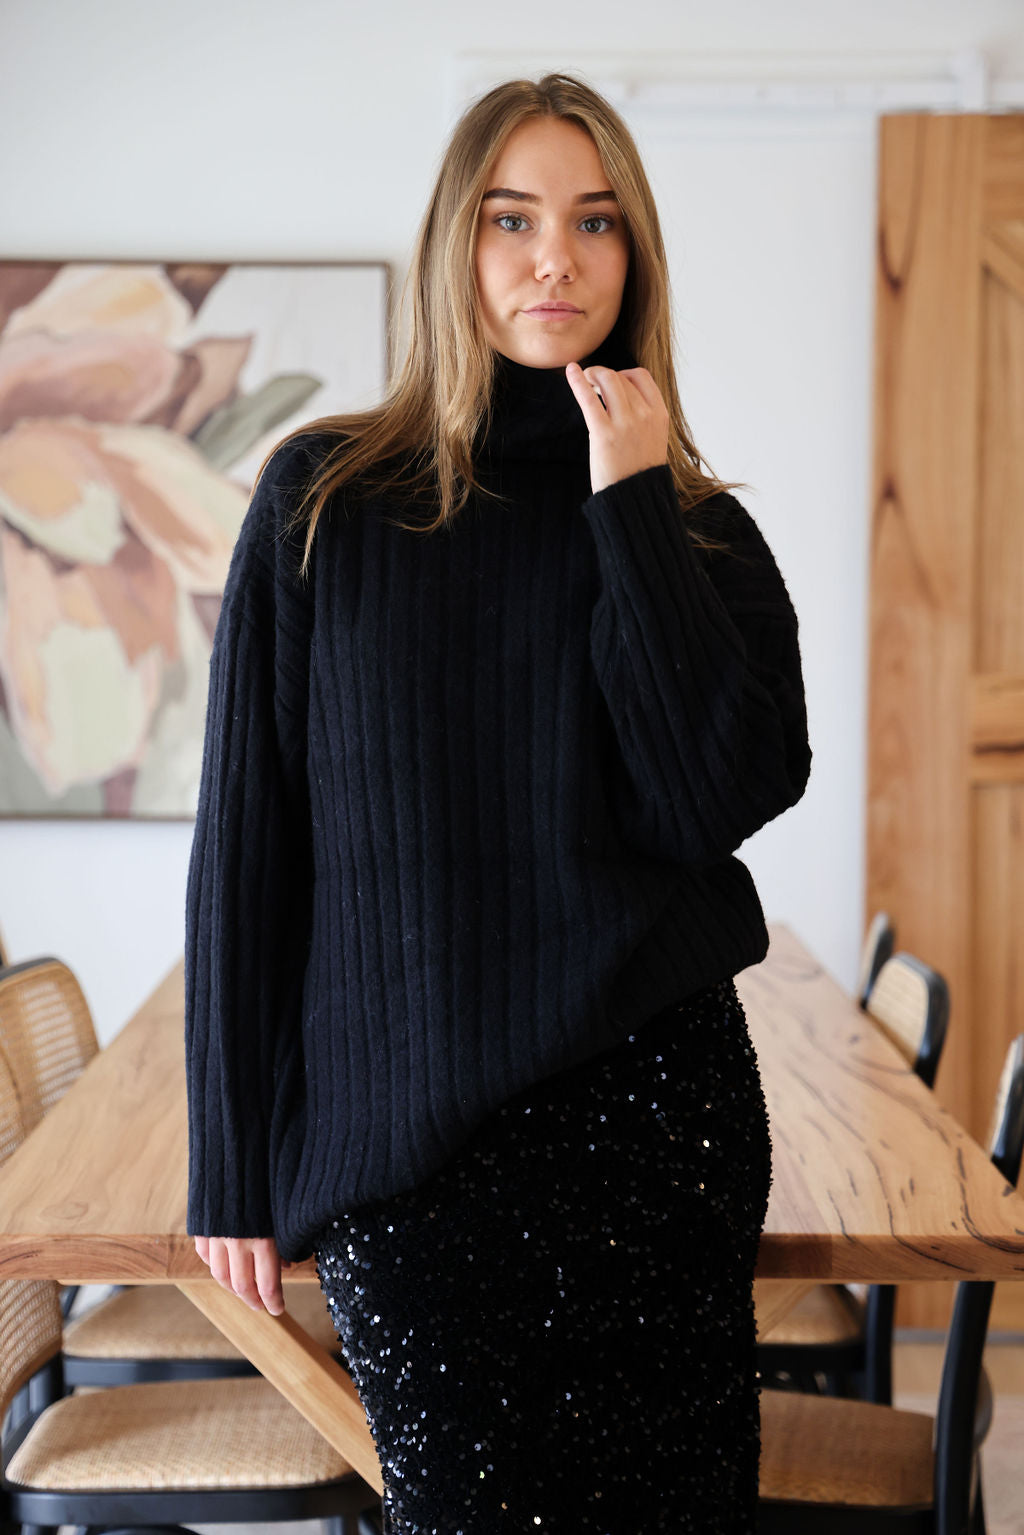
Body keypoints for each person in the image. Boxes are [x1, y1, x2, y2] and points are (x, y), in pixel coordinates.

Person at [185, 71, 811, 1535]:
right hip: (412, 1161)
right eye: (512, 219)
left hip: (656, 1133)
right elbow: (250, 850)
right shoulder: (326, 500)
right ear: (454, 247)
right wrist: (230, 1161)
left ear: (634, 254)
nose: (554, 259)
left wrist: (631, 504)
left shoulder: (696, 530)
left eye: (596, 222)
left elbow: (705, 800)